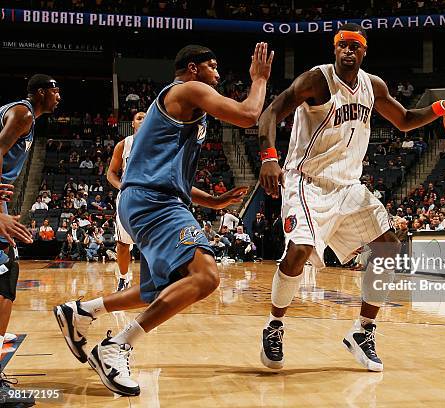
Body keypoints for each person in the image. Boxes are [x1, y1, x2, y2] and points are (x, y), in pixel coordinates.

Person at [54, 42, 273, 397]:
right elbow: (249, 115)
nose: (217, 74)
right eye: (212, 66)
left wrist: (213, 200)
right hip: (153, 200)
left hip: (151, 198)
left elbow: (173, 178)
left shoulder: (183, 105)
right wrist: (259, 79)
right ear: (192, 68)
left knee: (159, 290)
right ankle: (117, 346)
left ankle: (81, 311)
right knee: (205, 277)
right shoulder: (188, 89)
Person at [257, 23, 445, 372]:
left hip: (348, 186)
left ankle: (363, 330)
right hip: (306, 181)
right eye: (343, 45)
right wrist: (268, 157)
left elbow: (402, 120)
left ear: (364, 50)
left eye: (355, 45)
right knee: (300, 250)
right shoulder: (317, 80)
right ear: (335, 49)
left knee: (388, 246)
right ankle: (274, 325)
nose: (349, 50)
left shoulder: (374, 86)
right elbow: (269, 114)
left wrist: (440, 108)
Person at [0, 75, 57, 403]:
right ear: (40, 92)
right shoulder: (22, 113)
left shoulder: (19, 115)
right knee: (5, 278)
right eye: (54, 90)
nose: (59, 96)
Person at [106, 111, 146, 291]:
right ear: (132, 123)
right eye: (139, 118)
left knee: (151, 243)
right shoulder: (124, 144)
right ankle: (123, 279)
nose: (143, 120)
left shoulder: (159, 142)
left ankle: (154, 281)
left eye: (146, 117)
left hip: (150, 197)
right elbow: (111, 173)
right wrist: (122, 187)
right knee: (123, 244)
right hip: (128, 197)